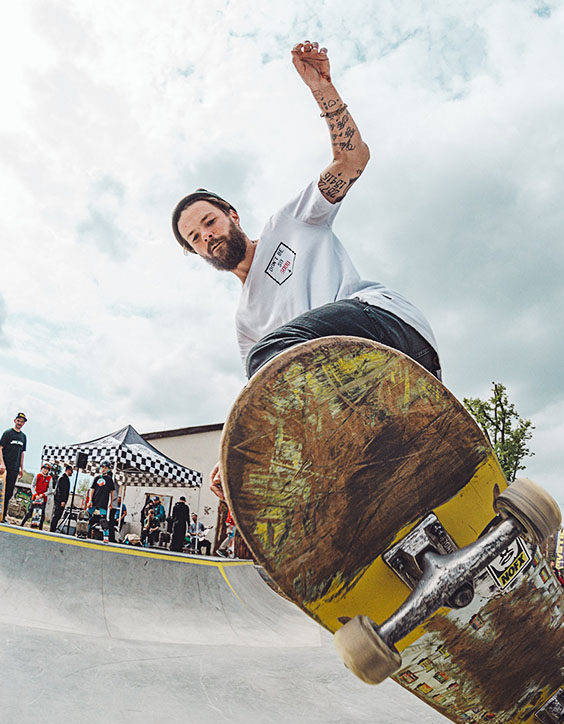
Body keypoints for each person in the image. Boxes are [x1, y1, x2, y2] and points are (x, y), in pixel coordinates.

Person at [171, 42, 440, 504]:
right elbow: (263, 403)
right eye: (195, 238)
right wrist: (231, 457)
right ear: (197, 254)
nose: (207, 237)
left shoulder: (289, 223)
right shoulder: (246, 321)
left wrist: (323, 90)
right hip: (381, 392)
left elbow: (353, 161)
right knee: (273, 398)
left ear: (232, 214)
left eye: (209, 222)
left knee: (270, 361)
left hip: (388, 332)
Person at [0, 412, 28, 518]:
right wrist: (2, 463)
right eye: (18, 420)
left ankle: (2, 515)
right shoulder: (7, 433)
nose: (20, 423)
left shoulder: (23, 437)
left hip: (14, 468)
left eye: (22, 422)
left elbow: (22, 453)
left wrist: (21, 467)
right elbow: (0, 448)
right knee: (1, 489)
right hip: (4, 467)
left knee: (9, 492)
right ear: (15, 421)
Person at [87, 462, 116, 542]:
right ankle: (84, 532)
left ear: (108, 469)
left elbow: (112, 491)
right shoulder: (97, 478)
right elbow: (92, 490)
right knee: (87, 516)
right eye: (102, 467)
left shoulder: (109, 479)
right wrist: (90, 500)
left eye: (105, 468)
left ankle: (106, 536)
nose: (103, 469)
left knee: (103, 519)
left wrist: (111, 503)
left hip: (103, 502)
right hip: (94, 500)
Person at [20, 463, 53, 529]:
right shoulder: (37, 475)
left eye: (47, 469)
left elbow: (50, 490)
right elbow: (32, 485)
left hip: (43, 499)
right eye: (44, 469)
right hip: (35, 498)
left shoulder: (49, 478)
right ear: (42, 469)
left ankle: (40, 528)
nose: (45, 470)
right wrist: (35, 494)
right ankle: (21, 524)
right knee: (30, 512)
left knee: (42, 514)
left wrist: (43, 495)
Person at [50, 464, 73, 532]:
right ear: (68, 470)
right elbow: (60, 490)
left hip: (61, 501)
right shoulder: (63, 478)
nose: (72, 473)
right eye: (71, 471)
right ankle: (52, 529)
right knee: (56, 515)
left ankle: (53, 528)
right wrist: (62, 500)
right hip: (59, 501)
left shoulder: (65, 478)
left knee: (58, 515)